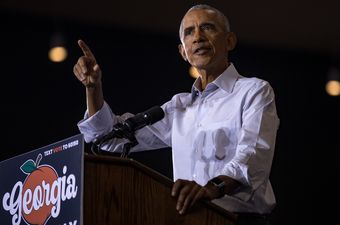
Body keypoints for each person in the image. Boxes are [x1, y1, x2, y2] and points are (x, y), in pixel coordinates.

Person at [73, 4, 279, 225]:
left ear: (229, 41)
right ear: (183, 51)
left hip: (241, 220)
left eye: (207, 28)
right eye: (189, 32)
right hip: (188, 219)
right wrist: (93, 88)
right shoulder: (179, 106)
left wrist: (211, 189)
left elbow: (252, 158)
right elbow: (109, 137)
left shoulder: (254, 91)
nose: (197, 37)